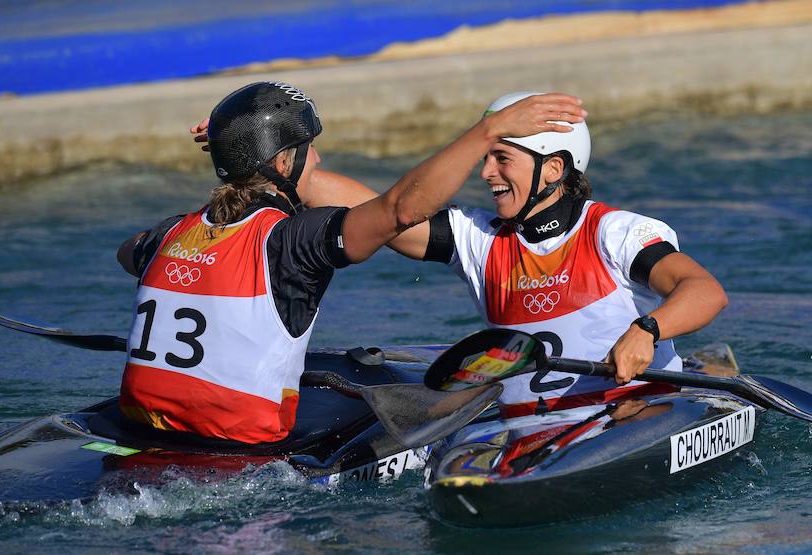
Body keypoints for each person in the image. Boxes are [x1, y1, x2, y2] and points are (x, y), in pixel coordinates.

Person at [192, 90, 728, 418]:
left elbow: (704, 292)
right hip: (527, 427)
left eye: (502, 159)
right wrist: (256, 155)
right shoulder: (479, 239)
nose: (486, 172)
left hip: (630, 413)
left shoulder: (614, 232)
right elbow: (380, 210)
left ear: (555, 168)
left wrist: (647, 331)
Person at [116, 82, 586, 443]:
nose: (317, 159)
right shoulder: (293, 242)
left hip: (145, 435)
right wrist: (488, 130)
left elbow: (128, 253)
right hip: (239, 465)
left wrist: (236, 149)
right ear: (283, 164)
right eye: (308, 150)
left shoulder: (166, 236)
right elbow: (401, 209)